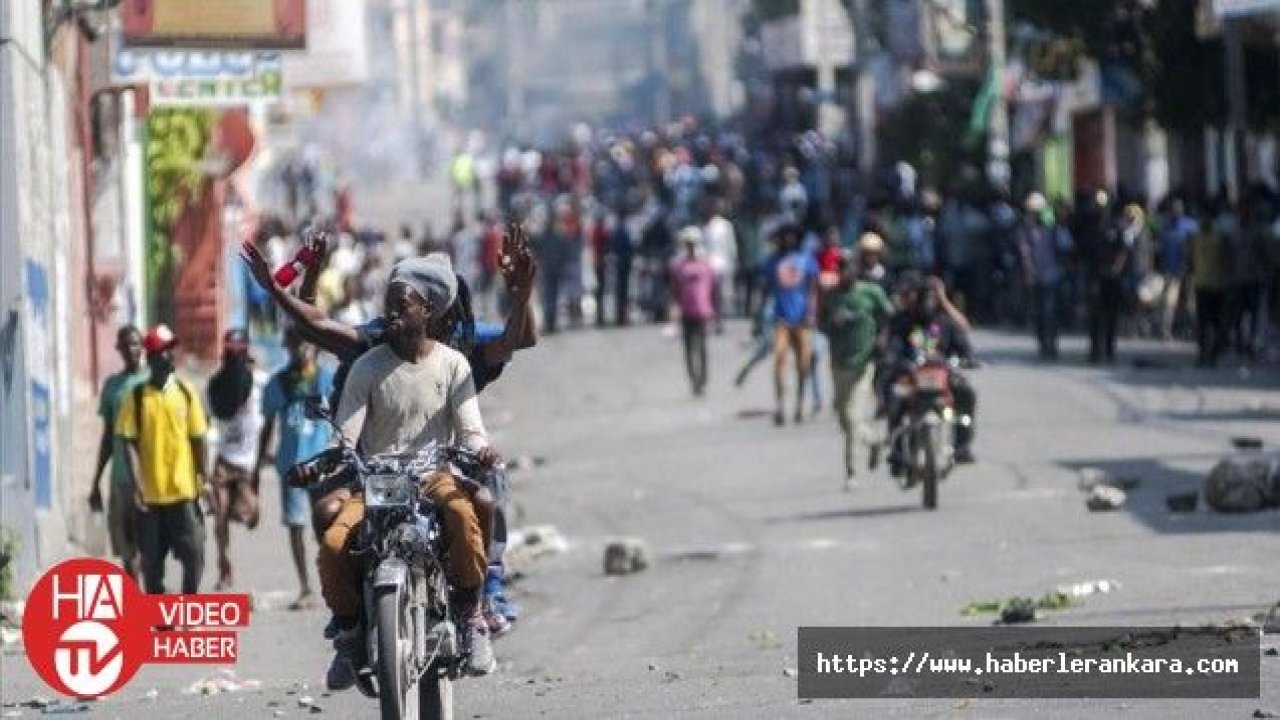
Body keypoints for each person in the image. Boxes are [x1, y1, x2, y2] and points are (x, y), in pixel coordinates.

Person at [318, 255, 500, 687]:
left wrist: (482, 450)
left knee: (463, 513)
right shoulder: (367, 367)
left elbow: (471, 429)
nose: (393, 311)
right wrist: (333, 455)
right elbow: (346, 433)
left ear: (429, 311)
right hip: (377, 480)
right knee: (334, 538)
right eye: (390, 302)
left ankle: (471, 613)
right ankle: (349, 630)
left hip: (433, 475)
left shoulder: (453, 364)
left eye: (404, 303)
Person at [115, 324, 209, 594]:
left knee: (194, 555)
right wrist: (137, 486)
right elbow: (128, 442)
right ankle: (161, 616)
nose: (171, 356)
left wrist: (204, 480)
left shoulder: (186, 393)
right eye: (166, 351)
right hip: (150, 501)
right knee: (152, 566)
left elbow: (198, 439)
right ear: (153, 357)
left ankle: (188, 606)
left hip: (183, 494)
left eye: (172, 350)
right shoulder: (136, 397)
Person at [257, 329, 333, 610]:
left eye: (305, 340)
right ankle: (305, 585)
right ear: (287, 344)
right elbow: (267, 427)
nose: (301, 347)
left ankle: (331, 580)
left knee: (326, 525)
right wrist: (256, 468)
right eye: (295, 340)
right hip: (290, 465)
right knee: (296, 525)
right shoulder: (278, 383)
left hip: (323, 465)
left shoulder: (327, 380)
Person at [881, 276, 978, 470]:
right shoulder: (904, 322)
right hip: (911, 375)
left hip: (941, 375)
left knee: (966, 392)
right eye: (924, 296)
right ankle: (898, 450)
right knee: (894, 395)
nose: (928, 302)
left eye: (933, 297)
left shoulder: (946, 322)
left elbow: (963, 345)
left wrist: (967, 359)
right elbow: (893, 347)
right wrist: (895, 360)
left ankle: (962, 446)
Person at [818, 254, 893, 490]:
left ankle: (851, 472)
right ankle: (874, 442)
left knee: (852, 417)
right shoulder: (831, 296)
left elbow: (889, 317)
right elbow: (820, 323)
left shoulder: (871, 292)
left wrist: (882, 339)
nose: (845, 272)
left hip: (863, 364)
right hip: (839, 363)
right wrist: (833, 323)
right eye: (841, 268)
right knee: (841, 415)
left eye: (849, 267)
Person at [205, 329, 263, 591]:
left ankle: (244, 508)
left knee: (249, 516)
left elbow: (267, 422)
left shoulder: (258, 383)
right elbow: (211, 417)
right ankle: (225, 569)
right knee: (219, 517)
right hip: (224, 462)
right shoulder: (216, 385)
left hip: (247, 465)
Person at [89, 325, 149, 582]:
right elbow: (107, 437)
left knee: (149, 546)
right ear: (118, 350)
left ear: (143, 348)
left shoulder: (152, 383)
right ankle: (137, 603)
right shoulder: (113, 387)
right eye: (126, 345)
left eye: (136, 344)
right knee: (126, 548)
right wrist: (95, 482)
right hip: (120, 479)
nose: (131, 350)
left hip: (150, 478)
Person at [761, 223, 819, 426]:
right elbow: (766, 289)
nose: (788, 239)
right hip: (781, 319)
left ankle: (800, 405)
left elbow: (812, 289)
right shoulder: (772, 261)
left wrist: (812, 313)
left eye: (792, 236)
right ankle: (779, 405)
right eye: (785, 236)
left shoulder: (807, 260)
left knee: (804, 363)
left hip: (802, 318)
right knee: (779, 360)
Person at [1018, 193, 1072, 360]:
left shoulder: (1053, 227)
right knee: (1040, 312)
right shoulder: (1026, 229)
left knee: (1051, 311)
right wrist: (1029, 273)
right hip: (1036, 276)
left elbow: (1066, 246)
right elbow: (1024, 253)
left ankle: (1052, 344)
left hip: (1052, 275)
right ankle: (1043, 343)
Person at [669, 226, 717, 396]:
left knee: (702, 347)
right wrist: (674, 310)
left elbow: (713, 289)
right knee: (689, 349)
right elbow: (674, 290)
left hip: (703, 311)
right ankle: (693, 380)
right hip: (686, 311)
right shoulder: (678, 266)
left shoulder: (705, 264)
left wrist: (715, 311)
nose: (690, 246)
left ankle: (702, 379)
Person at [1189, 213, 1230, 367]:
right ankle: (1202, 355)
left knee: (1216, 323)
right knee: (1202, 323)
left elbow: (1227, 258)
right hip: (1201, 285)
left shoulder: (1220, 238)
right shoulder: (1196, 237)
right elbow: (1191, 258)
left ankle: (1213, 356)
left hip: (1218, 286)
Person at [702, 197, 737, 332]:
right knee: (714, 295)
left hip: (720, 264)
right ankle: (715, 319)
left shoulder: (725, 226)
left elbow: (731, 247)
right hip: (712, 265)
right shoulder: (708, 226)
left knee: (717, 295)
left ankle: (718, 320)